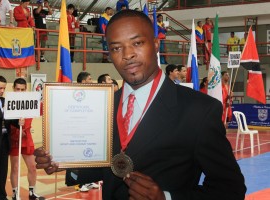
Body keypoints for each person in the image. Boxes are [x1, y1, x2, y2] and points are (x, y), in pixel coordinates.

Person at [34, 10, 246, 200]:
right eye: (117, 48)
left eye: (137, 43)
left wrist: (167, 197)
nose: (127, 55)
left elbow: (231, 189)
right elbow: (109, 166)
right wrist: (64, 162)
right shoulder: (103, 107)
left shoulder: (199, 110)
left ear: (155, 44)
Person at [10, 78, 44, 200]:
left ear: (26, 89)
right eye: (17, 89)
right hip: (13, 139)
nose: (20, 91)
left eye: (22, 89)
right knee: (15, 167)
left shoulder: (32, 101)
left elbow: (45, 108)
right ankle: (15, 194)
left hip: (27, 138)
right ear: (13, 89)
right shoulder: (9, 102)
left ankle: (32, 193)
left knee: (32, 167)